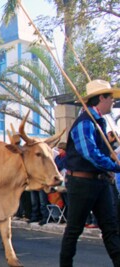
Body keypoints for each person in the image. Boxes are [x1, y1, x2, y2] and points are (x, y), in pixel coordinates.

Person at [60, 79, 120, 267]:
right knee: (74, 230)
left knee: (111, 228)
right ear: (101, 97)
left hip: (100, 182)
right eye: (110, 98)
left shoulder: (98, 122)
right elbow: (90, 154)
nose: (113, 102)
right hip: (82, 183)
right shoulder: (85, 122)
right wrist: (115, 166)